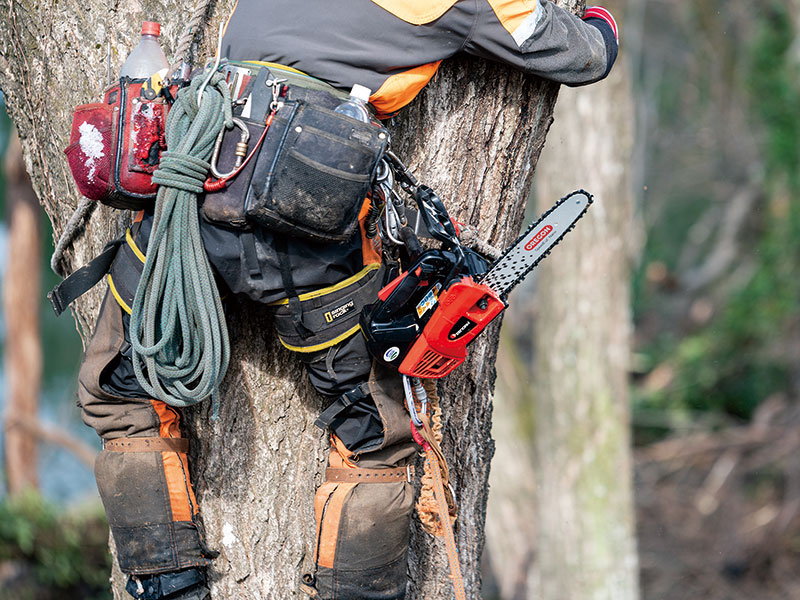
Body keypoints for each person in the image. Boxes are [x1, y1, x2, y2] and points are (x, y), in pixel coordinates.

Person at [76, 1, 619, 599]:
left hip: (197, 173)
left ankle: (166, 584)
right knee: (378, 434)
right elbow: (577, 54)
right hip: (304, 188)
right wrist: (600, 23)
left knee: (118, 387)